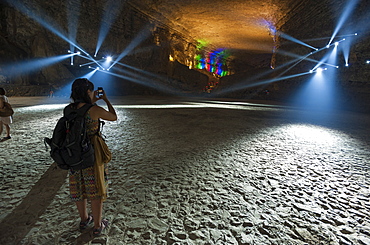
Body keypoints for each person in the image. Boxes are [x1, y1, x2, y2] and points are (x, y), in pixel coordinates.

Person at [67, 78, 117, 236]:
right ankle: (97, 225)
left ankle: (84, 219)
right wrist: (105, 100)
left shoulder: (68, 109)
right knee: (95, 188)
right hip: (91, 154)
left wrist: (90, 101)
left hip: (73, 154)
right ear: (88, 91)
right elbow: (113, 116)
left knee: (78, 187)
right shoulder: (93, 110)